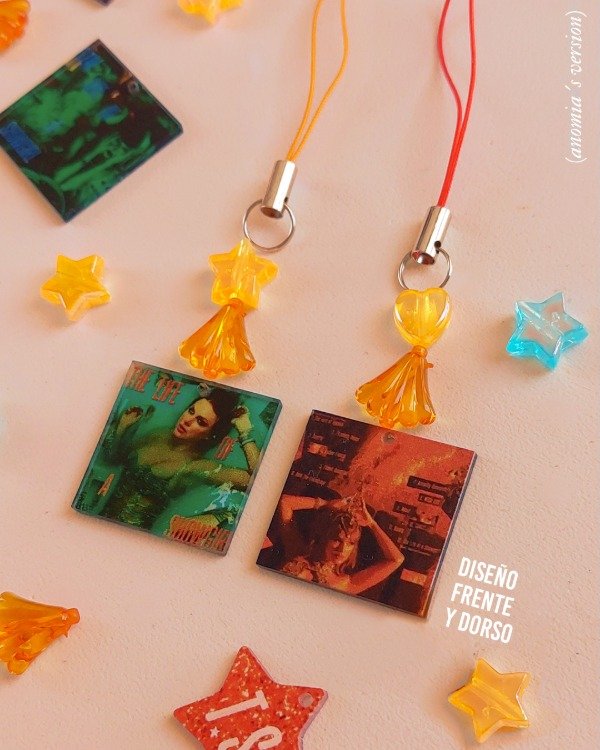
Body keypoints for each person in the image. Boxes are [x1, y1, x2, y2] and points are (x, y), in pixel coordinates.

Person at [94, 389, 259, 532]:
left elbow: (255, 480)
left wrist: (245, 432)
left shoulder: (195, 466)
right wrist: (122, 427)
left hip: (130, 537)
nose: (187, 420)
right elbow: (114, 460)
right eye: (191, 411)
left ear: (209, 435)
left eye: (200, 422)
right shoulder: (159, 435)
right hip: (98, 520)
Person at [276, 494, 404, 596]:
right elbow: (285, 502)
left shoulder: (345, 584)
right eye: (337, 540)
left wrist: (371, 523)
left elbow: (396, 559)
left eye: (350, 543)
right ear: (325, 538)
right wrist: (326, 504)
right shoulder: (297, 549)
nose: (342, 549)